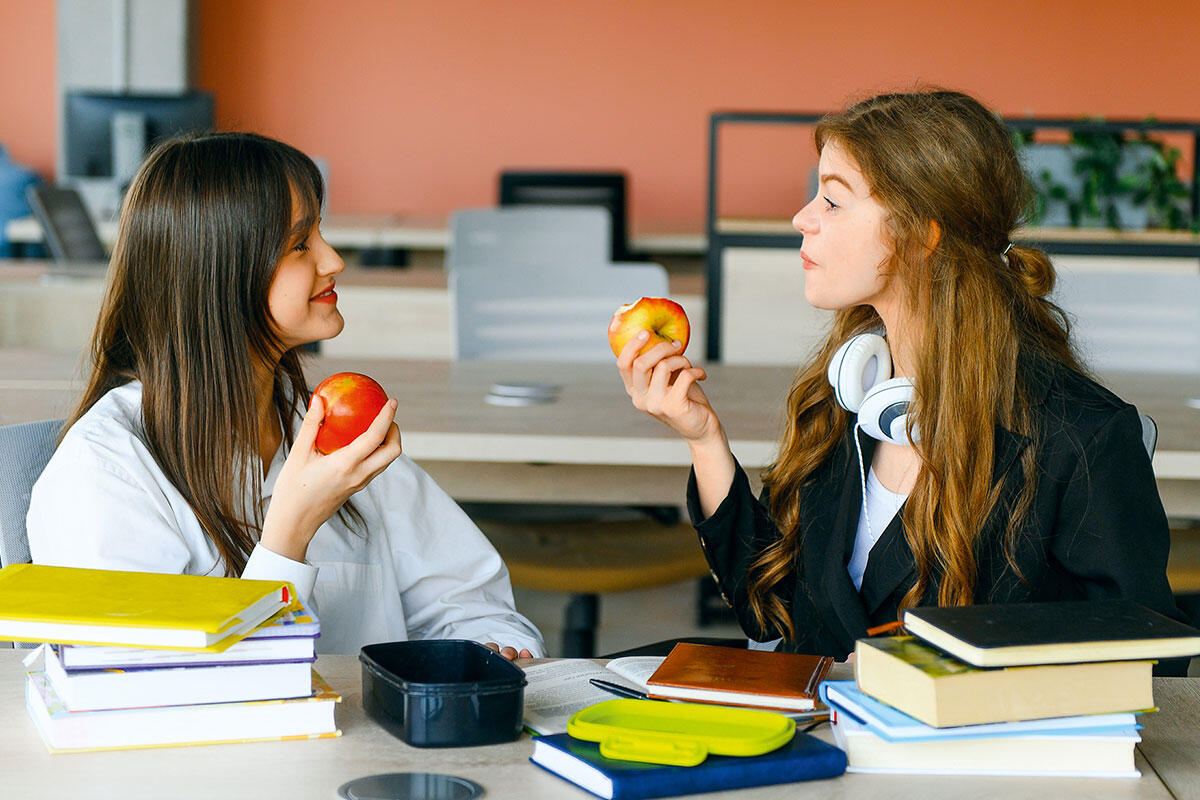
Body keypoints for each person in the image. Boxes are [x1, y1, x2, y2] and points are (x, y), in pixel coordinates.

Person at [614, 89, 1188, 674]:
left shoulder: (1079, 436)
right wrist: (703, 439)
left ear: (922, 234)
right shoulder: (847, 397)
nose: (801, 218)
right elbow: (778, 615)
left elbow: (1150, 670)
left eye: (833, 202)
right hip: (824, 751)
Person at [27, 132, 542, 659]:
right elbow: (160, 703)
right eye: (300, 244)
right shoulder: (106, 473)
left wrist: (488, 652)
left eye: (321, 232)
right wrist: (289, 534)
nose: (334, 260)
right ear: (219, 273)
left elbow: (471, 602)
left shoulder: (326, 424)